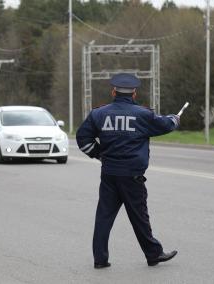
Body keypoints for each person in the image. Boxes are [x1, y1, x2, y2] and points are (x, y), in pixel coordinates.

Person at [76, 73, 180, 269]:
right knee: (139, 217)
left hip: (109, 174)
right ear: (134, 94)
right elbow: (165, 125)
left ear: (113, 92)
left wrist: (100, 154)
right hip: (132, 176)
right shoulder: (143, 115)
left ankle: (100, 259)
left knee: (104, 217)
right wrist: (175, 119)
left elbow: (83, 139)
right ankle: (154, 254)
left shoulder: (98, 114)